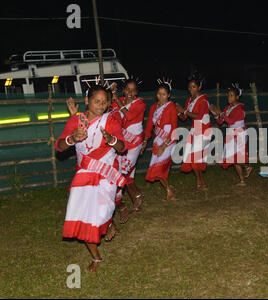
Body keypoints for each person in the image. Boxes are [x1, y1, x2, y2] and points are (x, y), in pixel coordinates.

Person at [56, 85, 126, 272]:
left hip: (106, 175)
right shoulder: (76, 121)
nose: (101, 105)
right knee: (84, 218)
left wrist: (111, 139)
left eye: (104, 102)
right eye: (97, 101)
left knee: (101, 213)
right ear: (87, 101)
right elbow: (60, 147)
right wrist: (72, 138)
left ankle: (109, 222)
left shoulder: (110, 120)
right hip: (84, 177)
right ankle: (96, 258)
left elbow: (122, 147)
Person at [110, 79, 146, 224]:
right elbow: (114, 115)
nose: (130, 93)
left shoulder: (140, 103)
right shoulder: (119, 101)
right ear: (123, 90)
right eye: (127, 90)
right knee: (128, 176)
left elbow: (129, 116)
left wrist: (117, 99)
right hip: (123, 142)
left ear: (137, 92)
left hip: (134, 143)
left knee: (121, 174)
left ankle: (119, 203)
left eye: (133, 90)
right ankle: (137, 198)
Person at [141, 79, 178, 201]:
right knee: (157, 169)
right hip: (158, 140)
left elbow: (174, 128)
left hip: (168, 140)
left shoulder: (171, 107)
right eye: (159, 94)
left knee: (159, 169)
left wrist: (164, 145)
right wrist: (145, 141)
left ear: (169, 95)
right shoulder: (153, 107)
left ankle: (169, 191)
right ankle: (169, 190)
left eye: (163, 94)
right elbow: (149, 127)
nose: (161, 97)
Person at [176, 72, 212, 192]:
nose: (191, 89)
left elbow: (199, 116)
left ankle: (203, 183)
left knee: (194, 157)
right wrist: (178, 112)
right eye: (190, 87)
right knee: (190, 157)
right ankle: (199, 183)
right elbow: (184, 118)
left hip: (203, 130)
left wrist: (184, 111)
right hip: (194, 130)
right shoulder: (189, 100)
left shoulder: (203, 100)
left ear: (199, 87)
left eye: (194, 87)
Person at [209, 83, 252, 186]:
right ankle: (242, 181)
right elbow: (220, 122)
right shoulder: (227, 108)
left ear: (237, 97)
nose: (229, 97)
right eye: (228, 95)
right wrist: (216, 115)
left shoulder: (240, 108)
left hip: (239, 134)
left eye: (231, 95)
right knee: (234, 160)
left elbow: (231, 121)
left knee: (235, 158)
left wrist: (220, 113)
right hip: (231, 134)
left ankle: (246, 166)